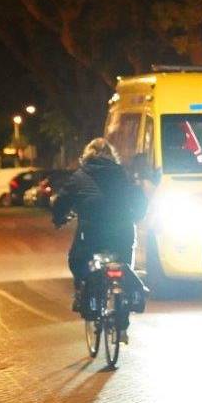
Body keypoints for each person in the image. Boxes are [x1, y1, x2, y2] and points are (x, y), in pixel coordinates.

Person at [52, 138, 146, 343]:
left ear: (87, 155)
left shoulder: (79, 176)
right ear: (112, 156)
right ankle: (122, 326)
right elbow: (137, 196)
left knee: (77, 260)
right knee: (122, 269)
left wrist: (59, 218)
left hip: (92, 234)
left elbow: (61, 201)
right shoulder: (121, 174)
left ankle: (82, 295)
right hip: (122, 232)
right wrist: (137, 215)